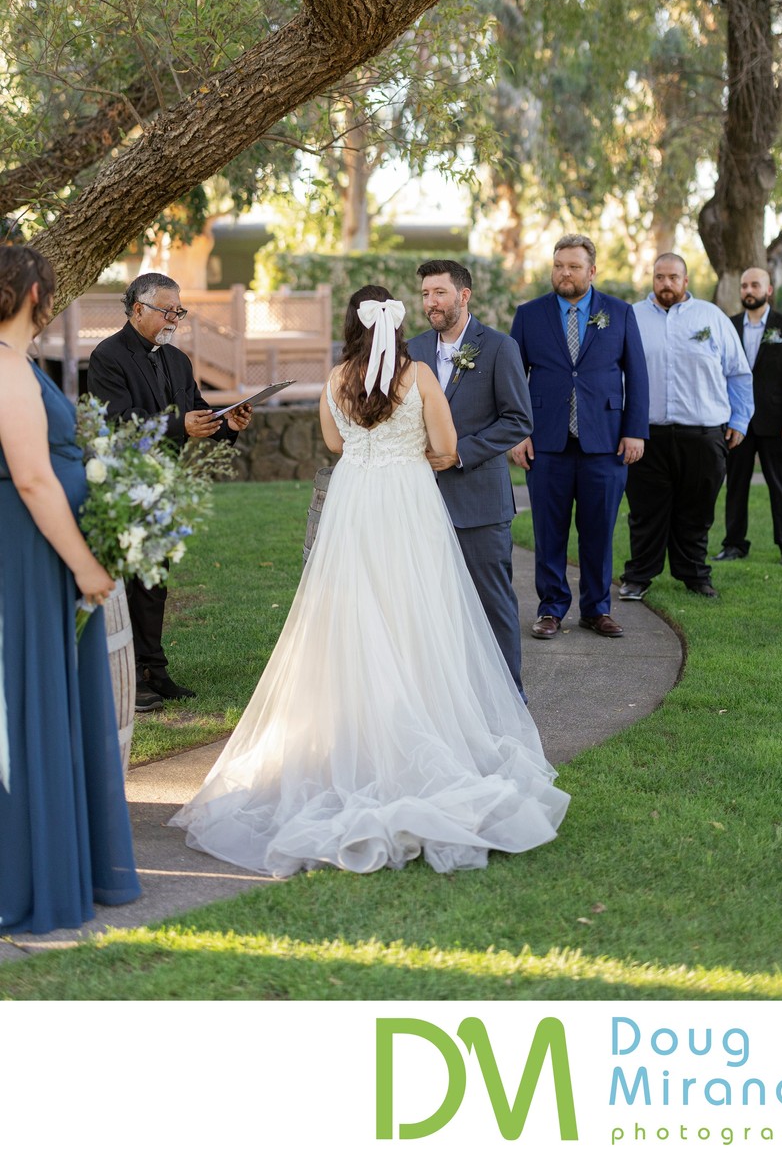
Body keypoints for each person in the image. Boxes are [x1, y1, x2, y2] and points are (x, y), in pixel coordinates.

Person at [170, 287, 568, 875]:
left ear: (350, 325)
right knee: (415, 611)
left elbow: (334, 444)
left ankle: (352, 736)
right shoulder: (422, 376)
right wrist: (411, 452)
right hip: (408, 502)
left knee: (351, 614)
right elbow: (447, 446)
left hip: (355, 503)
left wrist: (372, 448)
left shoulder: (335, 380)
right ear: (398, 325)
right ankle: (418, 724)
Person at [0, 245, 140, 935]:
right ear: (34, 295)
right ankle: (30, 874)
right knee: (31, 702)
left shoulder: (18, 363)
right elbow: (31, 478)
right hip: (28, 555)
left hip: (38, 551)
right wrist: (86, 563)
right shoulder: (3, 366)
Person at [87, 273, 252, 712]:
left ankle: (155, 671)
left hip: (164, 482)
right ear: (137, 309)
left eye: (178, 310)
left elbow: (195, 410)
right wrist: (180, 425)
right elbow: (117, 422)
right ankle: (126, 675)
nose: (174, 318)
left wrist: (226, 424)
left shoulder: (178, 360)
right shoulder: (107, 356)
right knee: (125, 582)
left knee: (155, 581)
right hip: (121, 486)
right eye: (167, 309)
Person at [509, 235, 649, 640]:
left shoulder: (619, 313)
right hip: (546, 444)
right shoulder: (529, 315)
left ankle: (596, 608)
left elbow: (636, 375)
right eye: (558, 265)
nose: (564, 273)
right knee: (548, 532)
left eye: (572, 266)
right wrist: (518, 434)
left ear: (592, 271)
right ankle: (551, 609)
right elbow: (514, 382)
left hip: (604, 444)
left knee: (599, 530)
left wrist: (635, 431)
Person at [407, 260, 532, 697]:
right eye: (425, 294)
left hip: (478, 502)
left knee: (491, 604)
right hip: (420, 501)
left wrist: (460, 453)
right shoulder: (413, 349)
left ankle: (508, 697)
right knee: (432, 606)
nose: (430, 303)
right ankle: (449, 700)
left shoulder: (499, 348)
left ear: (464, 295)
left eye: (439, 293)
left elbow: (518, 420)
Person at [620, 253, 754, 602]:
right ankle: (638, 576)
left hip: (704, 433)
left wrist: (740, 419)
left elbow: (738, 372)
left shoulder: (712, 317)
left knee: (697, 509)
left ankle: (695, 574)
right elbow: (615, 376)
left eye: (673, 277)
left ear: (686, 280)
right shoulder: (630, 317)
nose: (666, 283)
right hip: (646, 434)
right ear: (653, 278)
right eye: (660, 277)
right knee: (646, 511)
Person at [713, 266, 782, 569]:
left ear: (769, 291)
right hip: (738, 421)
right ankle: (734, 544)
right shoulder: (730, 324)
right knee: (736, 484)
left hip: (776, 422)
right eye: (744, 286)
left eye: (754, 285)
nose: (748, 291)